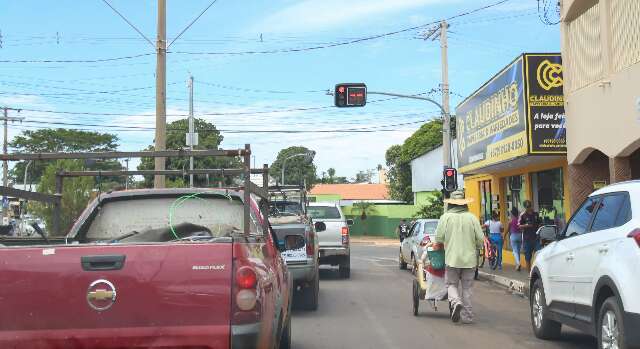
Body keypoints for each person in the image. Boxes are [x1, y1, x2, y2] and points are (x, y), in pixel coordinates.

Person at [435, 190, 484, 324]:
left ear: (451, 204)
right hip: (469, 260)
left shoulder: (445, 217)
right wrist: (476, 248)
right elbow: (480, 239)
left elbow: (438, 239)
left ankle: (456, 302)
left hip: (452, 259)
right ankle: (467, 316)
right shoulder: (472, 217)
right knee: (467, 288)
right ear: (464, 204)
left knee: (451, 284)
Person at [519, 200, 541, 272]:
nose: (529, 208)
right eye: (527, 207)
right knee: (528, 257)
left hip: (536, 238)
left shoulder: (536, 214)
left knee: (539, 255)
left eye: (529, 206)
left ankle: (538, 272)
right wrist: (526, 226)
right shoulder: (523, 215)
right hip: (527, 239)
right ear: (525, 207)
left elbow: (540, 224)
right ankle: (529, 274)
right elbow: (519, 226)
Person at [508, 207, 523, 272]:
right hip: (520, 236)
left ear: (512, 214)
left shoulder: (511, 221)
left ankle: (518, 263)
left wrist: (505, 235)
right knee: (518, 251)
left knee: (515, 251)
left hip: (513, 236)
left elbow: (508, 229)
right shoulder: (520, 220)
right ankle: (517, 265)